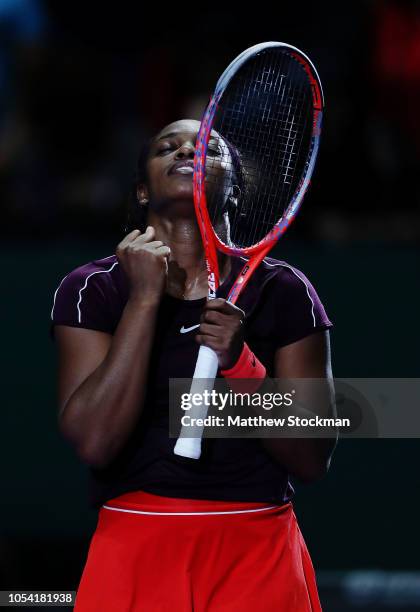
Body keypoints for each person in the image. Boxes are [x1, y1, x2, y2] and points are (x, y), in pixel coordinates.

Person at [51, 119, 336, 611]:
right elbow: (96, 441)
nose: (188, 151)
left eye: (208, 148)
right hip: (135, 545)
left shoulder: (286, 291)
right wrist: (143, 301)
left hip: (257, 550)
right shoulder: (92, 289)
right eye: (169, 147)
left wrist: (241, 363)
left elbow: (313, 456)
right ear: (143, 190)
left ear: (234, 191)